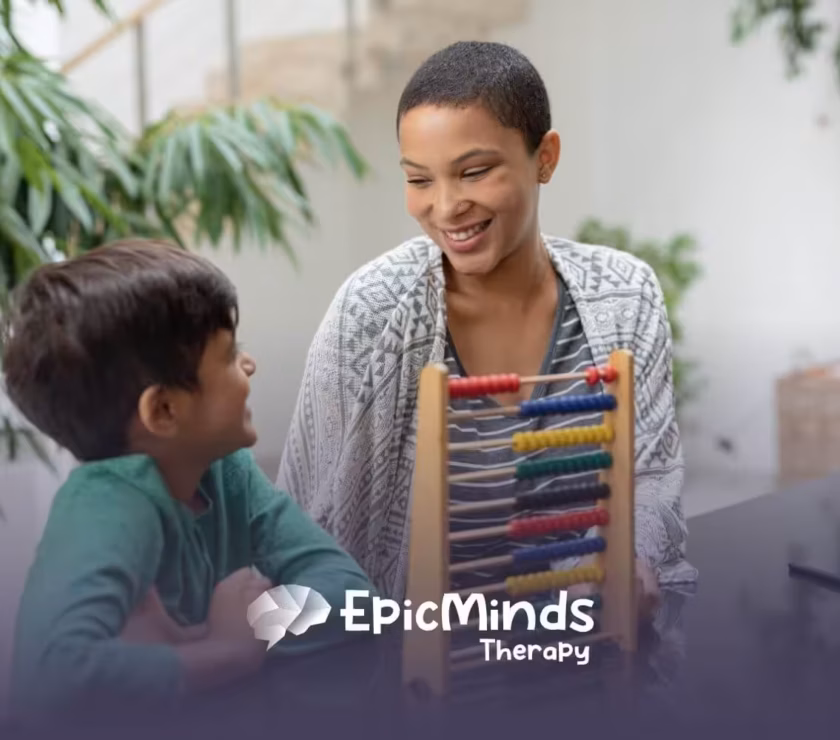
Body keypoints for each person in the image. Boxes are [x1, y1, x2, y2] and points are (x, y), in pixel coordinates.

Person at [277, 41, 699, 609]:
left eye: (473, 172)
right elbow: (300, 520)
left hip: (591, 643)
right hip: (418, 665)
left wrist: (627, 559)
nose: (446, 206)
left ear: (544, 157)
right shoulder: (369, 312)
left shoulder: (627, 294)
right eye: (419, 180)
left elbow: (652, 479)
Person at [1, 240, 375, 719]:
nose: (249, 363)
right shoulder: (104, 508)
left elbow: (350, 595)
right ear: (163, 410)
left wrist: (250, 631)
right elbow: (53, 679)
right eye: (228, 354)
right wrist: (223, 653)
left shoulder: (223, 470)